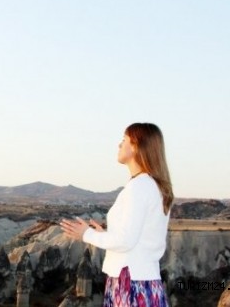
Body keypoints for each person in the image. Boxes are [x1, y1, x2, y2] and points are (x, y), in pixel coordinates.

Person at [60, 123, 173, 306]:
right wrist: (104, 235)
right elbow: (137, 238)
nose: (119, 145)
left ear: (136, 146)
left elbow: (125, 241)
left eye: (124, 140)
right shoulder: (151, 186)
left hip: (130, 281)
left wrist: (87, 234)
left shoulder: (139, 187)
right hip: (141, 279)